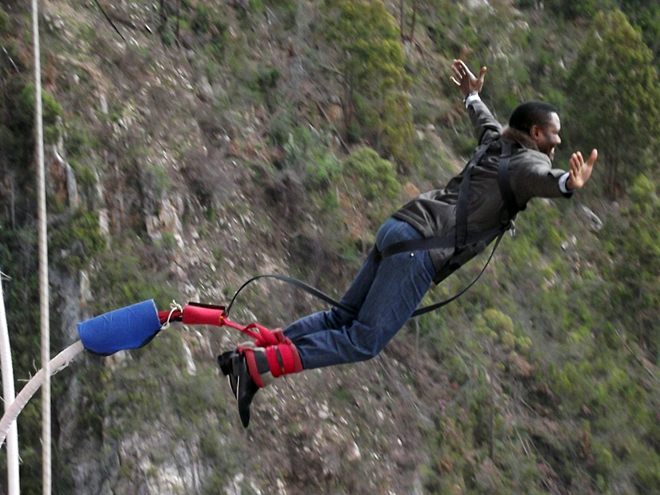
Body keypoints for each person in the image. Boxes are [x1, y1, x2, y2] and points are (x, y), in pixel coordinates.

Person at [218, 59, 598, 427]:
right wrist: (567, 184)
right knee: (363, 340)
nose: (557, 142)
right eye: (553, 134)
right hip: (420, 250)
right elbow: (543, 177)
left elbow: (484, 120)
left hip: (400, 227)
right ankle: (256, 369)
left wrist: (471, 97)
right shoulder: (527, 165)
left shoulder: (495, 142)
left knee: (342, 318)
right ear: (534, 133)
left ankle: (250, 356)